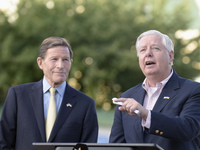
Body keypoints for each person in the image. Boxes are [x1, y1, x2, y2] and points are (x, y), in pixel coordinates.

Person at [0, 37, 98, 150]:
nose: (60, 65)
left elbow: (88, 148)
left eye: (65, 60)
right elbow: (3, 143)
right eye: (54, 59)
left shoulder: (85, 104)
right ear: (40, 63)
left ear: (70, 63)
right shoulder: (18, 96)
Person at [109, 30, 200, 150]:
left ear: (170, 56)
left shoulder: (193, 90)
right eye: (142, 50)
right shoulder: (128, 96)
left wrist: (146, 114)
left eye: (155, 48)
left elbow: (188, 129)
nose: (148, 53)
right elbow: (116, 146)